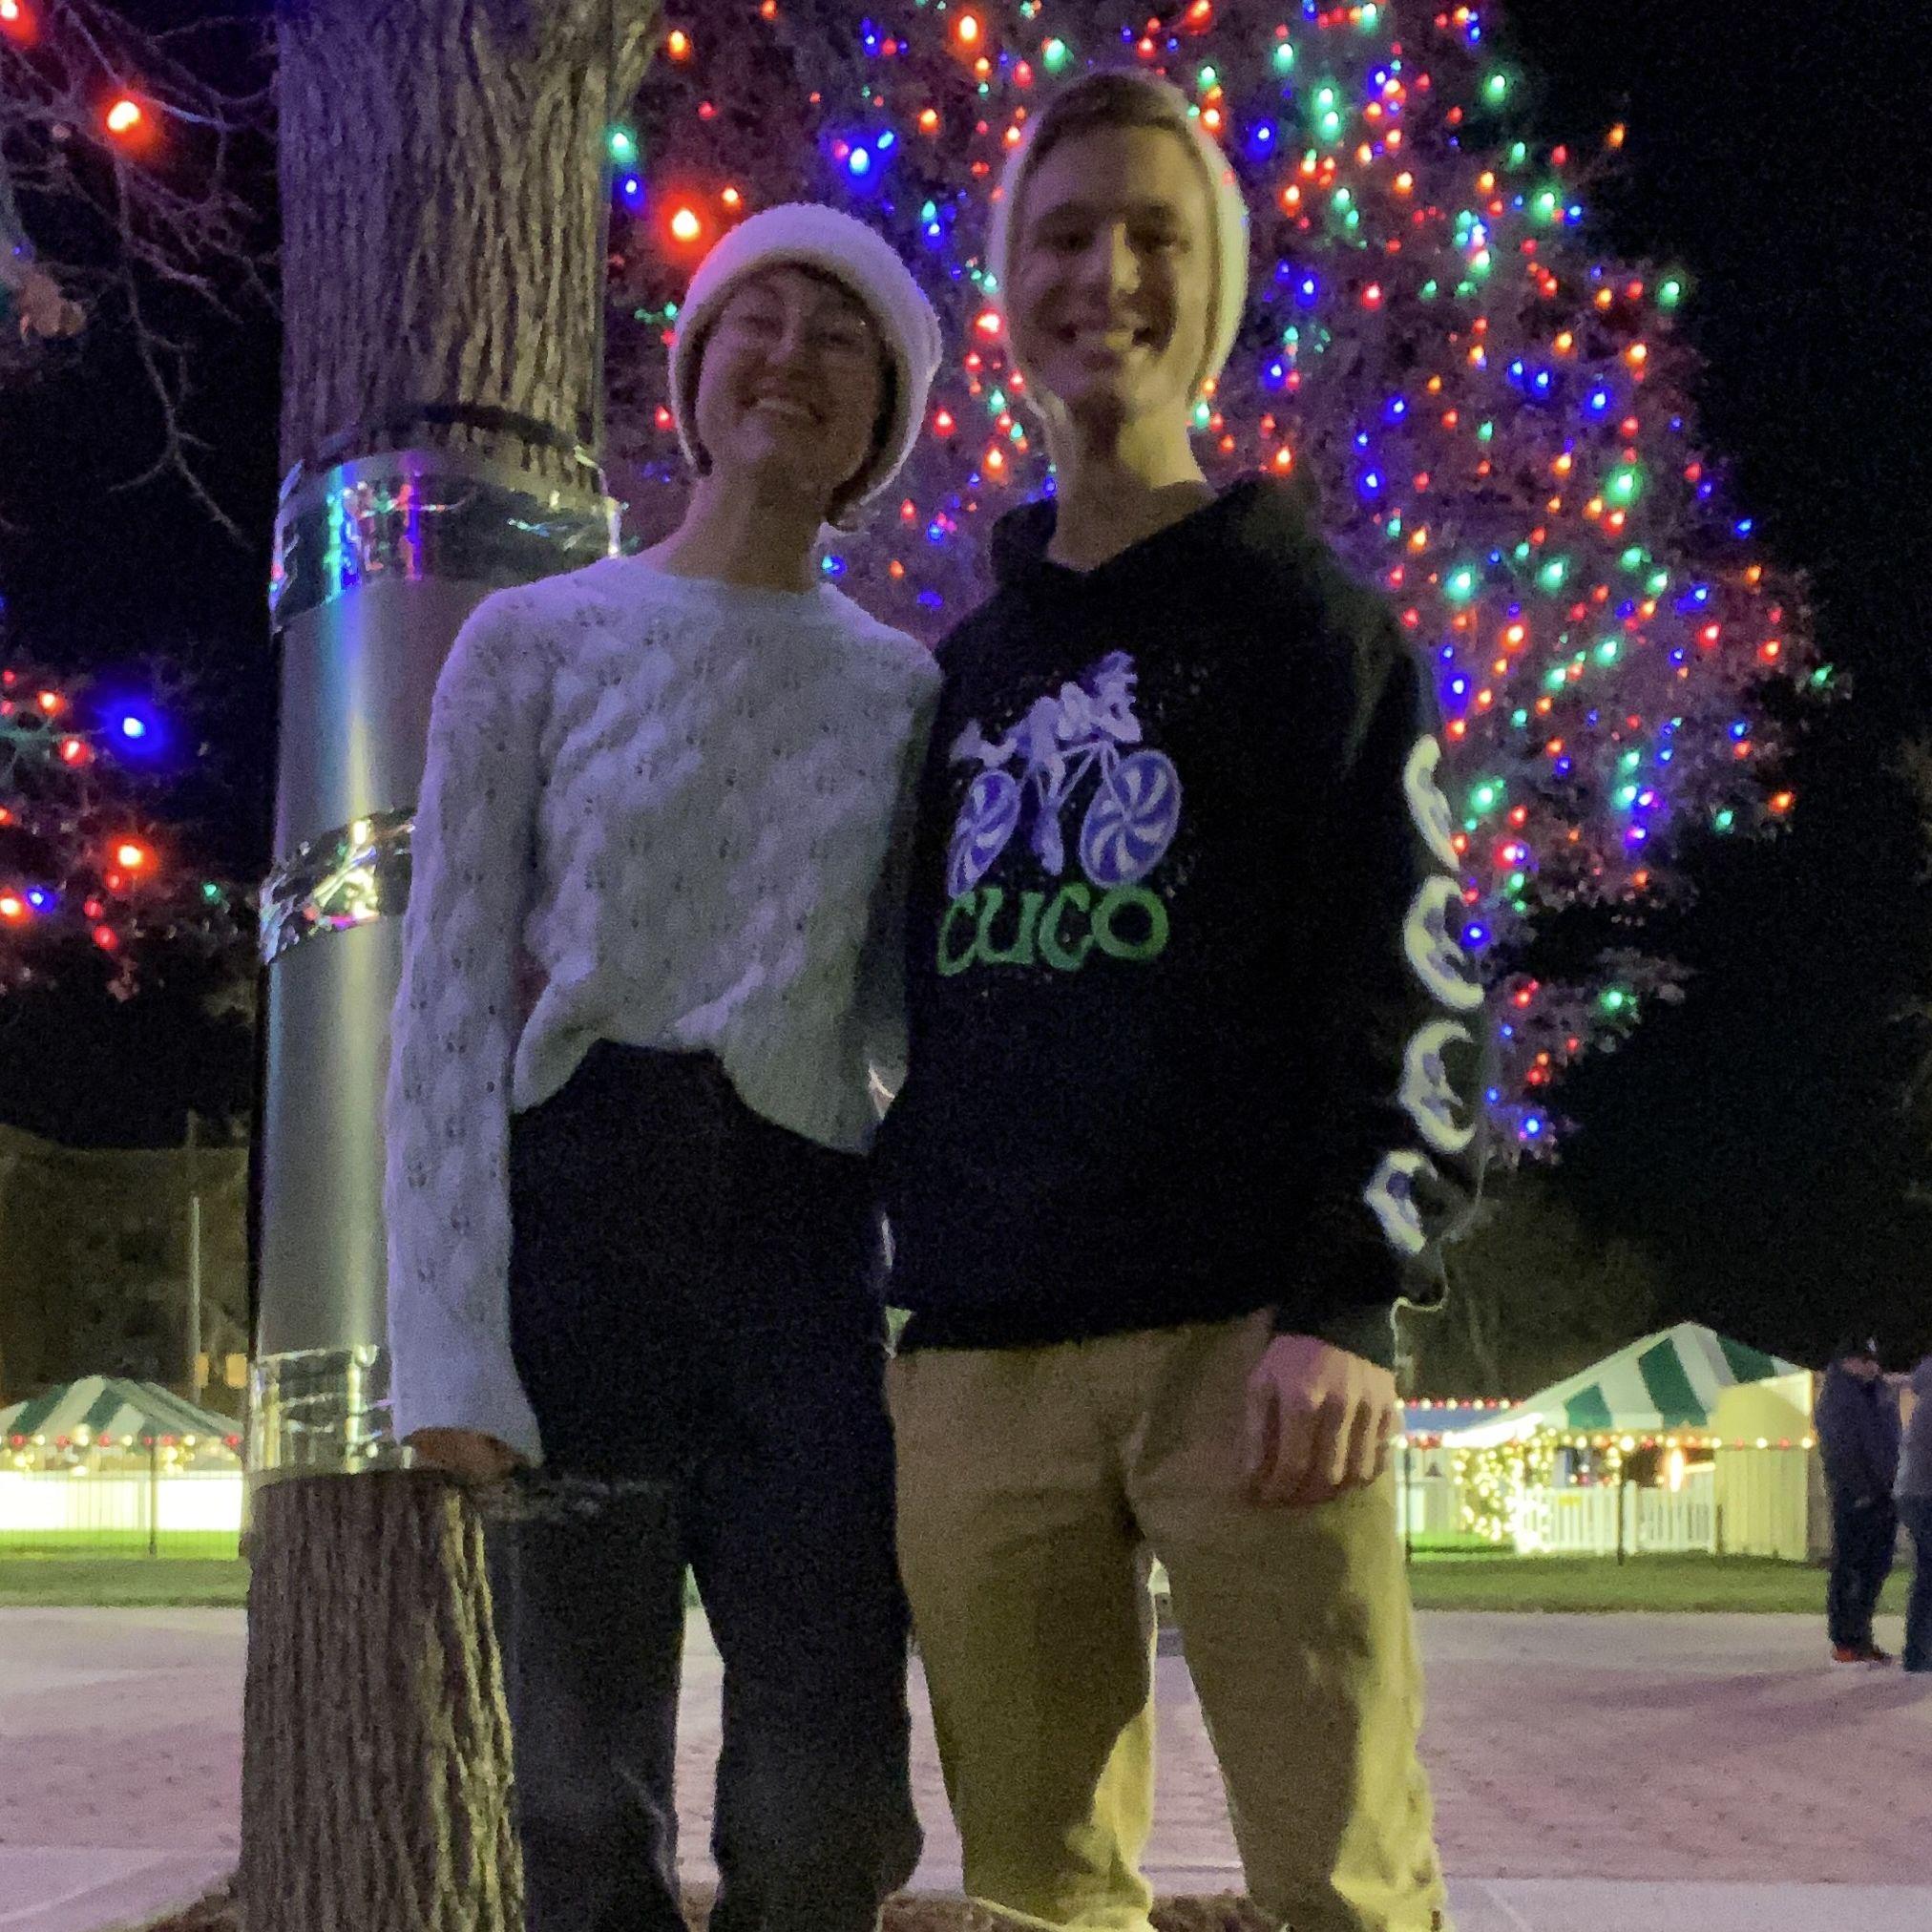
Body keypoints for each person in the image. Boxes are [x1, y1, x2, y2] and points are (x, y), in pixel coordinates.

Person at [872, 71, 1488, 1932]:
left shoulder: (1313, 628)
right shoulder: (957, 673)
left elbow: (1417, 981)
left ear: (1213, 287)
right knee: (1034, 1894)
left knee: (1344, 1887)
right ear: (1008, 286)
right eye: (1064, 235)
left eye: (1158, 234)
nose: (1107, 274)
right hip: (981, 1360)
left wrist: (1349, 1300)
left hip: (1255, 1357)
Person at [383, 203, 943, 1932]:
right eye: (753, 322)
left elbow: (906, 1031)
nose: (790, 356)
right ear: (693, 377)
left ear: (881, 426)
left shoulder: (906, 692)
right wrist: (450, 1347)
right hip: (578, 1238)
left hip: (798, 1249)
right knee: (572, 1794)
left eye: (838, 337)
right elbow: (449, 999)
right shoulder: (533, 644)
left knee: (824, 1790)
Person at [1816, 1336, 1901, 1667]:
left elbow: (1891, 1440)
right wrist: (1860, 1490)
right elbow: (1841, 1450)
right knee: (1851, 1567)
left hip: (1885, 1493)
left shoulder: (1878, 1392)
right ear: (1847, 1361)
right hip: (1856, 1496)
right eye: (1865, 1361)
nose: (1873, 1367)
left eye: (1875, 1361)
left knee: (1875, 1568)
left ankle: (1862, 1635)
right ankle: (1845, 1639)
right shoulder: (1838, 1397)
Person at [1891, 1353, 1931, 1672]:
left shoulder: (1925, 1396)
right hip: (1924, 1495)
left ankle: (1918, 1651)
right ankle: (1918, 1653)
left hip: (1913, 1493)